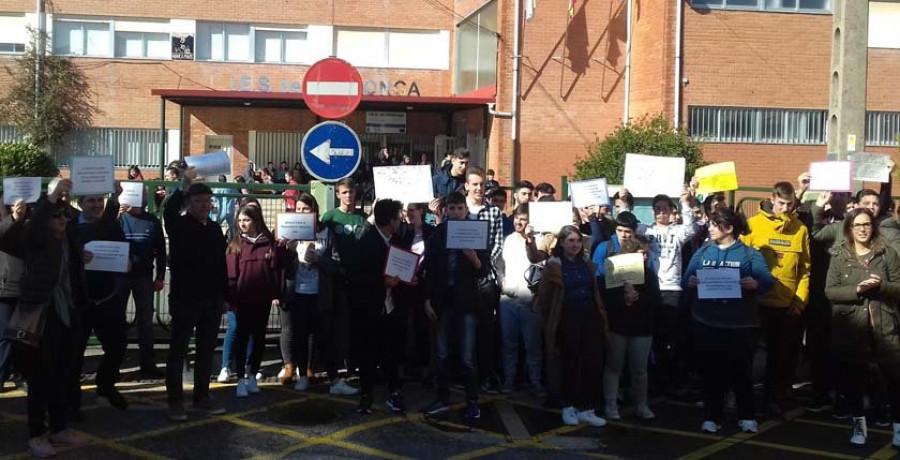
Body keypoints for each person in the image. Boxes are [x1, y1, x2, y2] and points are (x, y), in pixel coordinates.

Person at [683, 208, 774, 434]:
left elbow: (767, 281)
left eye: (715, 224)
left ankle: (747, 415)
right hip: (708, 323)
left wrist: (756, 284)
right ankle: (712, 417)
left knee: (741, 372)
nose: (710, 228)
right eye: (710, 224)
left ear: (730, 228)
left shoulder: (750, 254)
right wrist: (692, 282)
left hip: (741, 325)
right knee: (712, 373)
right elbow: (686, 279)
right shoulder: (702, 252)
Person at [19, 179, 88, 457]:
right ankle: (37, 434)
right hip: (42, 313)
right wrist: (50, 198)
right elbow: (35, 225)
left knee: (62, 373)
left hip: (66, 313)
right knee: (40, 377)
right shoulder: (36, 240)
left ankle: (59, 428)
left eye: (65, 215)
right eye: (57, 215)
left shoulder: (67, 241)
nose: (62, 219)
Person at [825, 208, 900, 447]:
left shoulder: (887, 253)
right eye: (857, 225)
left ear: (873, 226)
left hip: (884, 328)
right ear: (849, 228)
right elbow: (830, 291)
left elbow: (898, 287)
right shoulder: (839, 255)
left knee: (895, 382)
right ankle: (859, 428)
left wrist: (882, 286)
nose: (862, 229)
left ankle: (898, 429)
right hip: (851, 329)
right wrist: (857, 290)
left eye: (866, 224)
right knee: (853, 384)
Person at [163, 168, 229, 421]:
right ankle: (175, 401)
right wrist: (184, 186)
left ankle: (202, 397)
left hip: (211, 300)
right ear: (189, 203)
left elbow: (221, 266)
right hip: (185, 299)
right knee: (177, 350)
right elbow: (168, 208)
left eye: (207, 201)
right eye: (198, 201)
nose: (203, 205)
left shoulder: (214, 229)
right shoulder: (178, 225)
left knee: (206, 350)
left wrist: (224, 296)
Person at [740, 181, 811, 416]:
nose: (785, 209)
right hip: (756, 303)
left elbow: (804, 270)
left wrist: (800, 301)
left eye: (789, 204)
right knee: (747, 354)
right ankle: (743, 400)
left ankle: (770, 400)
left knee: (778, 359)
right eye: (781, 203)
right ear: (772, 199)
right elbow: (740, 261)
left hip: (786, 305)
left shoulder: (800, 229)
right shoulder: (753, 225)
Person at [422, 192, 490, 419]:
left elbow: (484, 270)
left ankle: (472, 401)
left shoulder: (475, 232)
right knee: (441, 353)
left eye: (460, 208)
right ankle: (442, 398)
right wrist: (427, 299)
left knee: (467, 356)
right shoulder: (438, 234)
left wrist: (474, 259)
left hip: (467, 302)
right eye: (451, 209)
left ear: (466, 210)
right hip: (442, 301)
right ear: (445, 211)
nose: (456, 212)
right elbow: (429, 270)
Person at [535, 225, 608, 427]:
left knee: (592, 363)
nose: (575, 245)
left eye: (577, 241)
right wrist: (550, 321)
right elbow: (545, 298)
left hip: (589, 317)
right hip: (566, 318)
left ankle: (587, 408)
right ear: (562, 243)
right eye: (570, 241)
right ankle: (568, 406)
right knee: (570, 362)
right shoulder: (554, 264)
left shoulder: (586, 261)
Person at [71, 189, 129, 413]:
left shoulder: (112, 226)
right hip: (80, 301)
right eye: (90, 200)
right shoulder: (71, 227)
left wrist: (129, 261)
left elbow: (124, 250)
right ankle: (72, 401)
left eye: (99, 200)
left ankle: (106, 387)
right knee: (75, 353)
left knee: (117, 346)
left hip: (108, 297)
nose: (96, 204)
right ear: (80, 203)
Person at [278, 194, 338, 391]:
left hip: (319, 292)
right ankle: (301, 374)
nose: (302, 212)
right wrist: (289, 251)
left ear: (315, 211)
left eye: (306, 209)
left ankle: (330, 377)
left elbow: (336, 263)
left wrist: (319, 260)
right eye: (299, 209)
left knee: (323, 335)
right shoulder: (289, 230)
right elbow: (279, 265)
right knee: (300, 334)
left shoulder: (326, 233)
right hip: (297, 291)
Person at [644, 189, 698, 396]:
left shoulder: (677, 231)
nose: (661, 213)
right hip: (652, 289)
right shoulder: (646, 231)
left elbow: (692, 228)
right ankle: (656, 380)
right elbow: (625, 226)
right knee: (654, 338)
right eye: (657, 209)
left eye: (664, 209)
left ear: (670, 211)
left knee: (672, 339)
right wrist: (622, 202)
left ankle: (672, 380)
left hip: (672, 289)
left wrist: (686, 202)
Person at [226, 205, 284, 398]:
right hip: (242, 300)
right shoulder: (236, 244)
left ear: (256, 220)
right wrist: (231, 299)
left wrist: (275, 293)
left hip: (262, 300)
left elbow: (276, 269)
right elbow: (231, 276)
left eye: (247, 220)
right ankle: (240, 378)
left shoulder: (268, 243)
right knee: (242, 340)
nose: (243, 224)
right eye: (240, 220)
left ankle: (252, 376)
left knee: (259, 339)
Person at [355, 199, 406, 414]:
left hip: (391, 307)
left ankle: (394, 392)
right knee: (368, 353)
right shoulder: (366, 239)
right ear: (391, 220)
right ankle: (366, 397)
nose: (402, 219)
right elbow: (357, 276)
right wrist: (381, 282)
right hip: (371, 307)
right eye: (399, 216)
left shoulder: (397, 240)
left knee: (391, 352)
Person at [602, 236, 660, 421]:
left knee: (640, 370)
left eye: (646, 253)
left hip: (642, 329)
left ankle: (641, 404)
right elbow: (606, 300)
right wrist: (623, 300)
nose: (644, 257)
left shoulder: (650, 275)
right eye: (641, 253)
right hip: (618, 327)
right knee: (614, 366)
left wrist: (638, 298)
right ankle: (610, 404)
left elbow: (656, 301)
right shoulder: (614, 272)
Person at [319, 178, 366, 396]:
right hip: (335, 281)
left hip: (358, 280)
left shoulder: (363, 219)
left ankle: (353, 366)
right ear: (338, 194)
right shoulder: (329, 217)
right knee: (335, 329)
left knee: (356, 326)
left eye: (352, 192)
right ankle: (335, 372)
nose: (349, 196)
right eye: (345, 192)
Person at [463, 166, 505, 394]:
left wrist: (483, 262)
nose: (479, 188)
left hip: (485, 278)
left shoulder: (494, 213)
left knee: (486, 331)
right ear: (467, 186)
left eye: (482, 184)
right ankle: (464, 376)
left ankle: (486, 377)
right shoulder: (460, 211)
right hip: (462, 280)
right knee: (462, 330)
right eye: (475, 184)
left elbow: (498, 244)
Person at [117, 188, 167, 379]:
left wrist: (160, 276)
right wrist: (116, 214)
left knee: (145, 322)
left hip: (144, 278)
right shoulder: (119, 219)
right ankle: (115, 363)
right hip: (119, 278)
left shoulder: (152, 221)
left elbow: (161, 250)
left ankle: (148, 363)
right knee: (117, 320)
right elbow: (106, 236)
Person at [498, 203, 545, 396]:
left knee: (532, 345)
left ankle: (535, 382)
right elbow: (499, 264)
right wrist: (502, 284)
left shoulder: (540, 241)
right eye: (517, 217)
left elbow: (539, 263)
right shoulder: (508, 240)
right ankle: (509, 381)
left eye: (523, 219)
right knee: (509, 344)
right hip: (508, 300)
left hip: (530, 301)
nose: (519, 221)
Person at [0, 196, 26, 389]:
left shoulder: (27, 222)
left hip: (24, 287)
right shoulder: (9, 222)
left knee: (21, 336)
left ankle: (19, 372)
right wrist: (14, 218)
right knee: (7, 337)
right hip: (5, 288)